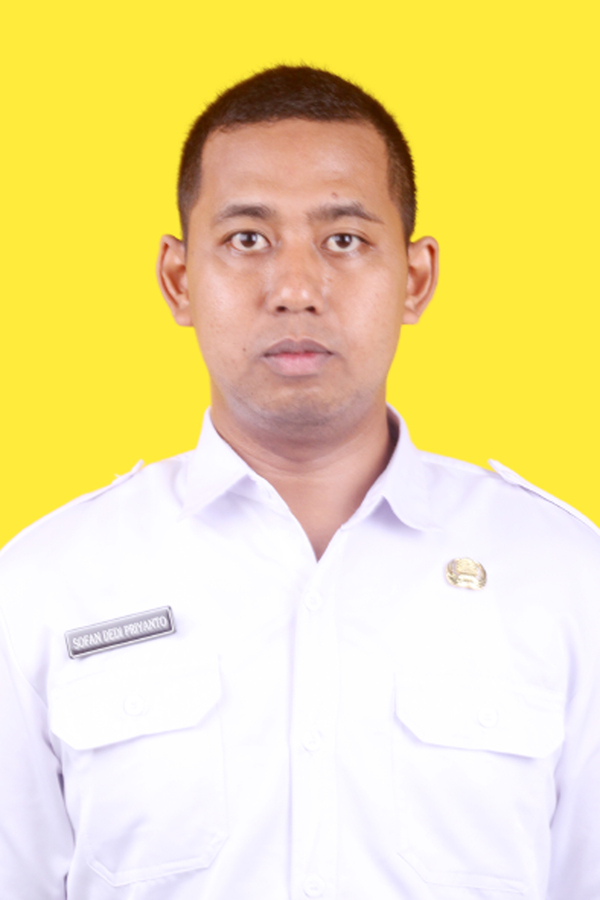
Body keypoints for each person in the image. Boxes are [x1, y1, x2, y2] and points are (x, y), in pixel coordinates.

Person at [0, 66, 598, 900]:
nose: (294, 290)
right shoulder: (42, 588)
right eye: (248, 239)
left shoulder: (566, 575)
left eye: (344, 239)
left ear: (416, 279)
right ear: (178, 280)